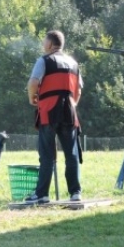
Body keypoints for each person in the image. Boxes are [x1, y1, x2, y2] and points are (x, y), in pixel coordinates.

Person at [25, 30, 83, 203]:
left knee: (46, 155)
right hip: (68, 112)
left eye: (44, 41)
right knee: (71, 154)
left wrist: (32, 97)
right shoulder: (73, 63)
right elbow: (78, 90)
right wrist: (73, 104)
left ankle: (42, 194)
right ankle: (75, 193)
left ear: (50, 44)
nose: (43, 44)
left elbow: (33, 82)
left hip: (48, 111)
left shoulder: (44, 61)